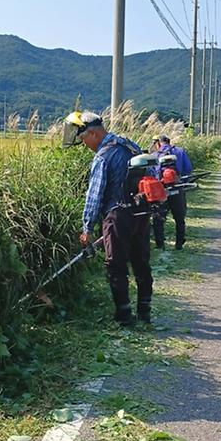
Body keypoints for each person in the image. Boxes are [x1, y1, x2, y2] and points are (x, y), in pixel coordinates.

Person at [63, 110, 153, 326]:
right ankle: (144, 312)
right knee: (141, 261)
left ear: (93, 134)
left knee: (116, 264)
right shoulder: (129, 145)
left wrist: (87, 228)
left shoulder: (103, 155)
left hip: (117, 216)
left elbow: (94, 195)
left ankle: (123, 315)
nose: (85, 144)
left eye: (84, 139)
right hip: (140, 212)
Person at [150, 134, 192, 250]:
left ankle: (160, 244)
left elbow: (150, 173)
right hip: (178, 188)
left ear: (158, 143)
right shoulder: (180, 151)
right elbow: (188, 169)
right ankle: (179, 244)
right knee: (179, 218)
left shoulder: (154, 155)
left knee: (158, 217)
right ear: (169, 141)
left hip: (161, 191)